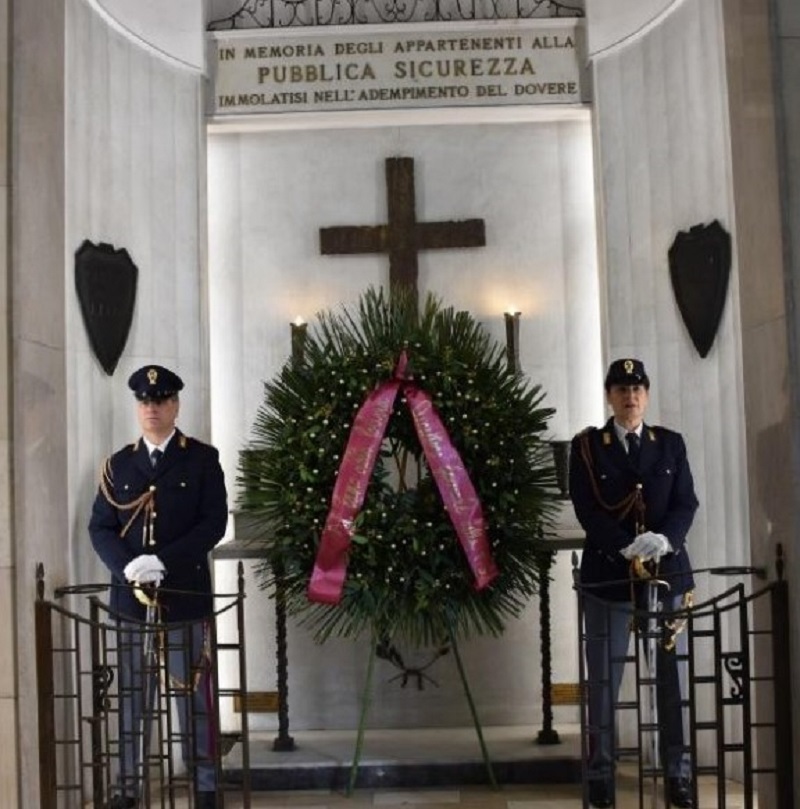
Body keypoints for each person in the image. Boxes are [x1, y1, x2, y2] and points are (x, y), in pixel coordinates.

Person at [89, 364, 228, 809]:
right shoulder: (118, 464)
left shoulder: (201, 459)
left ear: (175, 405)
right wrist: (128, 566)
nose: (152, 408)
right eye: (145, 401)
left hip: (184, 596)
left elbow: (214, 523)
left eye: (161, 400)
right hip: (132, 600)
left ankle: (205, 785)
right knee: (133, 695)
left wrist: (163, 561)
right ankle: (128, 787)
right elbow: (100, 526)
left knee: (194, 695)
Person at [569, 358, 698, 809]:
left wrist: (666, 539)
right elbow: (587, 508)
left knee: (671, 679)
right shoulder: (588, 447)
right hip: (610, 574)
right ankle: (601, 773)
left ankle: (678, 772)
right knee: (605, 679)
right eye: (622, 389)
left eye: (638, 388)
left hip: (665, 574)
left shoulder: (669, 443)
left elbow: (686, 502)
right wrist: (623, 546)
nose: (631, 397)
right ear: (609, 395)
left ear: (647, 394)